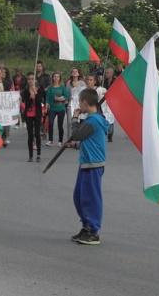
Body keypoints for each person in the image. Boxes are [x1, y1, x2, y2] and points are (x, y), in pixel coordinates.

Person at [64, 88, 109, 245]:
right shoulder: (92, 119)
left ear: (84, 102)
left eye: (79, 103)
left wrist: (75, 118)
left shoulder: (93, 120)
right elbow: (86, 141)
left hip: (93, 164)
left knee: (90, 198)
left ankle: (93, 231)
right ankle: (86, 225)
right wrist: (75, 145)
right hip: (86, 162)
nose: (78, 106)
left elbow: (77, 134)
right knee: (79, 196)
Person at [21, 72, 44, 162]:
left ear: (35, 80)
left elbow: (39, 102)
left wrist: (36, 93)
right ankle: (30, 155)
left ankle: (38, 154)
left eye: (32, 79)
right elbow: (26, 102)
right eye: (29, 79)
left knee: (37, 134)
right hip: (29, 114)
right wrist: (30, 97)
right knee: (30, 135)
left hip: (37, 114)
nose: (30, 81)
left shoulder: (40, 89)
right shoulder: (25, 91)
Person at [85, 75, 115, 143]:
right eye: (88, 80)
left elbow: (108, 99)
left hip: (100, 111)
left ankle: (105, 135)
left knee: (101, 126)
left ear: (95, 81)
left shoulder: (101, 89)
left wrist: (106, 94)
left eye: (91, 80)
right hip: (91, 112)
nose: (89, 81)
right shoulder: (85, 90)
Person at [45, 72, 70, 147]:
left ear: (60, 78)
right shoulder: (50, 87)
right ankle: (50, 140)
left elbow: (66, 96)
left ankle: (60, 141)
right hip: (52, 108)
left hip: (61, 108)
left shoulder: (62, 87)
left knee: (60, 125)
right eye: (55, 77)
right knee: (51, 123)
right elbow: (47, 97)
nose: (56, 78)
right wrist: (47, 104)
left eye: (57, 77)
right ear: (52, 78)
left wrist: (60, 99)